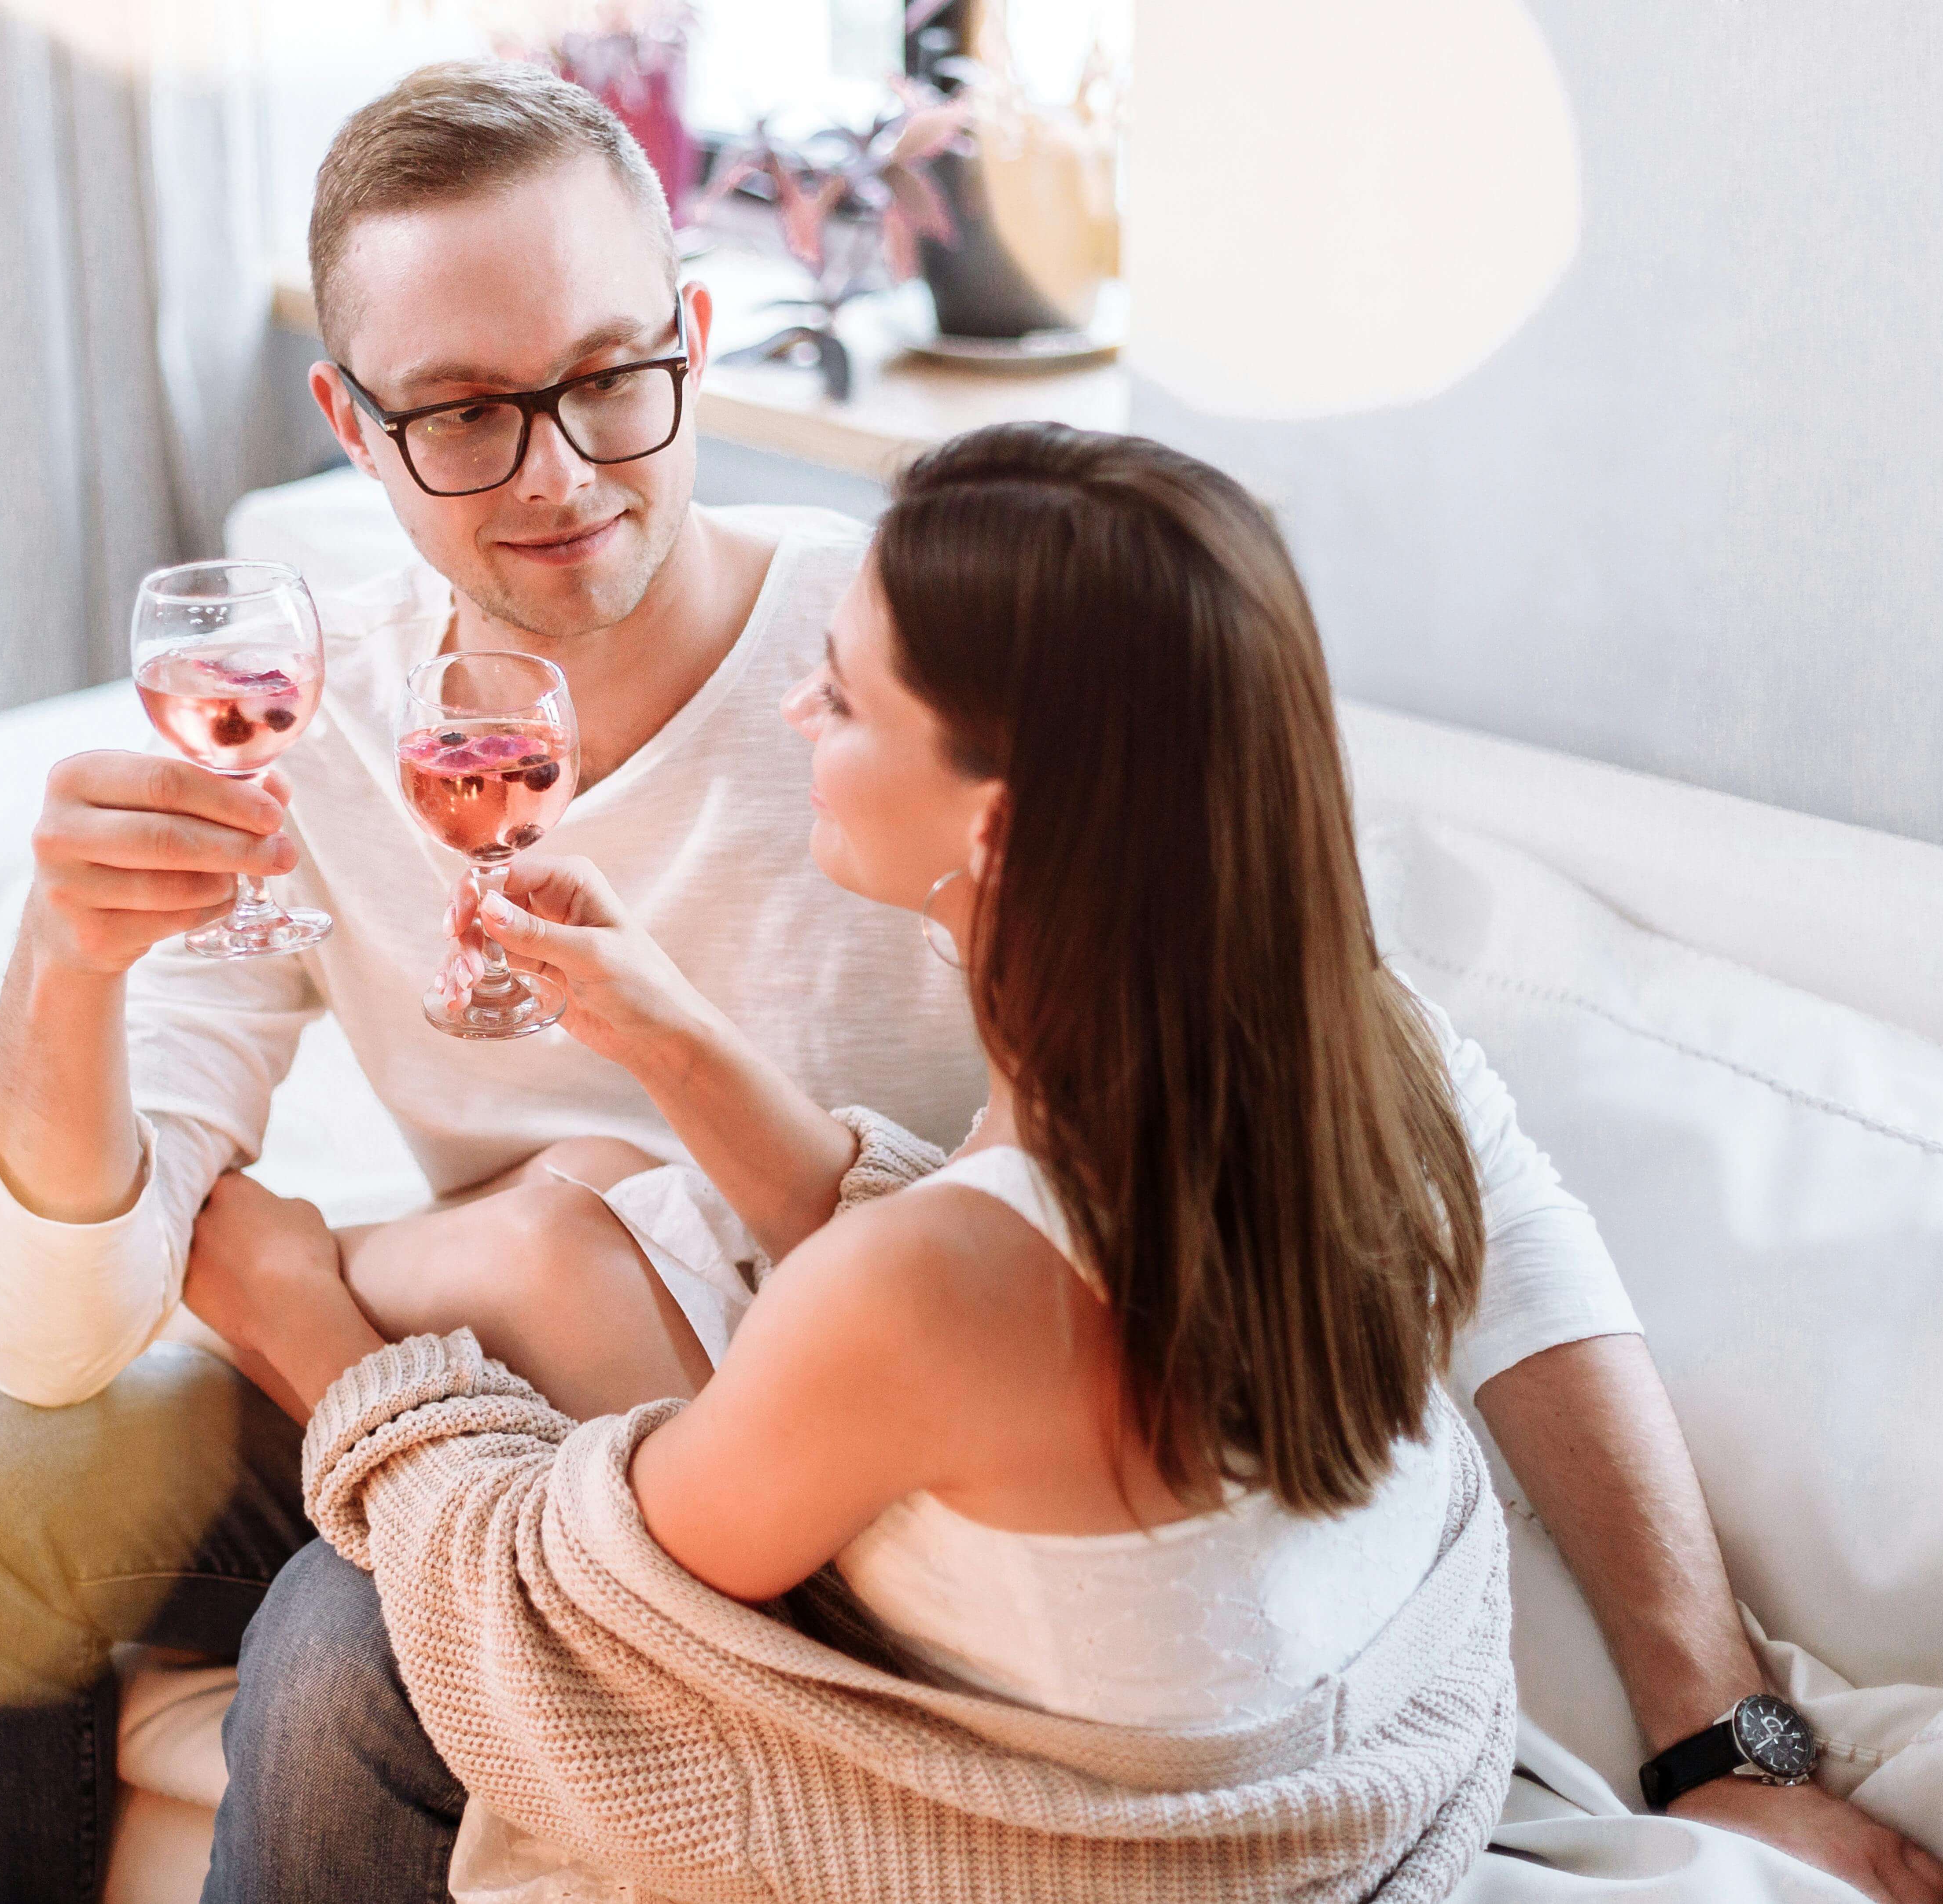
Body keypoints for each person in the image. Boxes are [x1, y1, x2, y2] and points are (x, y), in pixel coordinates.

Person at [0, 58, 1943, 1904]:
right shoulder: (322, 714)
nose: (569, 475)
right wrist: (66, 963)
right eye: (471, 417)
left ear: (690, 327)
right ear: (353, 421)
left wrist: (1719, 1729)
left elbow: (1440, 1165)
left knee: (343, 1644)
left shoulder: (949, 672)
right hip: (625, 1355)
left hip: (826, 1456)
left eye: (609, 375)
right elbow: (66, 1329)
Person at [184, 420, 1522, 1896]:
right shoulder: (1351, 1077)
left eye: (842, 696)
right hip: (1289, 1766)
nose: (794, 715)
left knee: (339, 1641)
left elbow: (572, 1634)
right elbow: (991, 1290)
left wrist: (304, 1323)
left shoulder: (925, 1294)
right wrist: (673, 1039)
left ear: (996, 827)